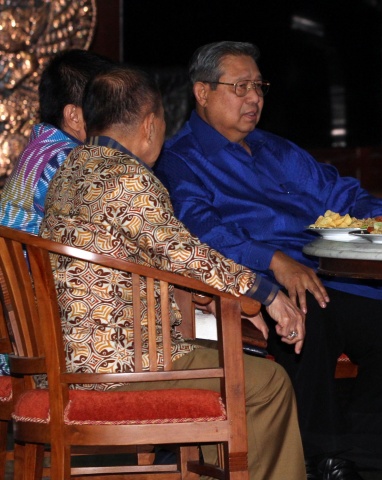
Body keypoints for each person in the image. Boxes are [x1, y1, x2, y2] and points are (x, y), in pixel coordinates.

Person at [154, 41, 382, 479]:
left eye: (259, 87)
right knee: (307, 314)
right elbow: (201, 231)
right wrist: (275, 260)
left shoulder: (275, 149)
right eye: (240, 87)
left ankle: (361, 463)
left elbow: (340, 192)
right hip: (258, 289)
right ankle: (324, 458)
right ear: (202, 92)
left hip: (327, 280)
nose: (254, 98)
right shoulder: (180, 160)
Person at [39, 65, 306, 480]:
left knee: (229, 362)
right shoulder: (127, 178)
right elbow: (184, 252)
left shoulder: (70, 171)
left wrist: (215, 295)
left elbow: (149, 257)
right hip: (121, 368)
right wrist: (264, 292)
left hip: (69, 360)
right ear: (150, 124)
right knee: (267, 382)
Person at [0, 49, 113, 234]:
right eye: (107, 112)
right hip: (33, 253)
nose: (115, 122)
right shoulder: (69, 158)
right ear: (74, 116)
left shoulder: (44, 145)